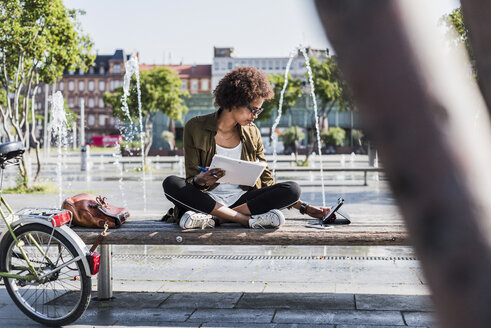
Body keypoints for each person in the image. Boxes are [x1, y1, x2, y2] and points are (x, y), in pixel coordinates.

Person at [163, 66, 331, 229]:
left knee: (292, 189)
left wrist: (305, 208)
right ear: (235, 102)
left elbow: (267, 181)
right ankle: (244, 220)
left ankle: (218, 219)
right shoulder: (196, 126)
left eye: (259, 111)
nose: (255, 116)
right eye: (253, 110)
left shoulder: (252, 132)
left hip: (242, 201)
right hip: (206, 200)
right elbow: (192, 177)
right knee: (171, 183)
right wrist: (201, 181)